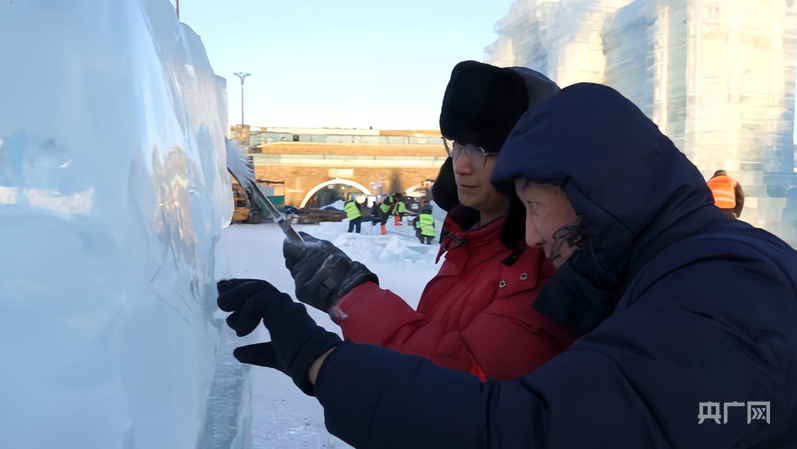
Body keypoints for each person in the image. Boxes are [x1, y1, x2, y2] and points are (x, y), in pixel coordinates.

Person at [218, 83, 797, 448]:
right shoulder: (656, 272)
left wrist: (324, 360)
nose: (538, 234)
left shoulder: (722, 286)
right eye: (456, 147)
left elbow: (525, 426)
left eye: (537, 206)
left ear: (596, 188)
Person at [276, 61, 572, 380]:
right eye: (457, 145)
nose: (461, 165)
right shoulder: (468, 242)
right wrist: (319, 363)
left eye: (482, 149)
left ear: (528, 158)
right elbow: (428, 351)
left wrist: (348, 294)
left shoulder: (545, 268)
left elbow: (463, 388)